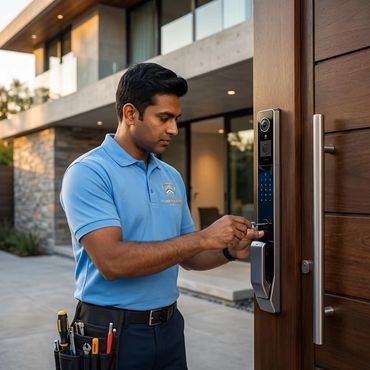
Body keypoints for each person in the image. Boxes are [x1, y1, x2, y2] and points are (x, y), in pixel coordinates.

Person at [60, 62, 263, 370]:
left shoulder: (169, 175)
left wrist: (227, 251)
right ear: (130, 114)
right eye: (164, 118)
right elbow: (112, 262)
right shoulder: (88, 173)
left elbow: (190, 256)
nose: (173, 129)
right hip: (110, 330)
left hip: (169, 326)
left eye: (176, 119)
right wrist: (204, 236)